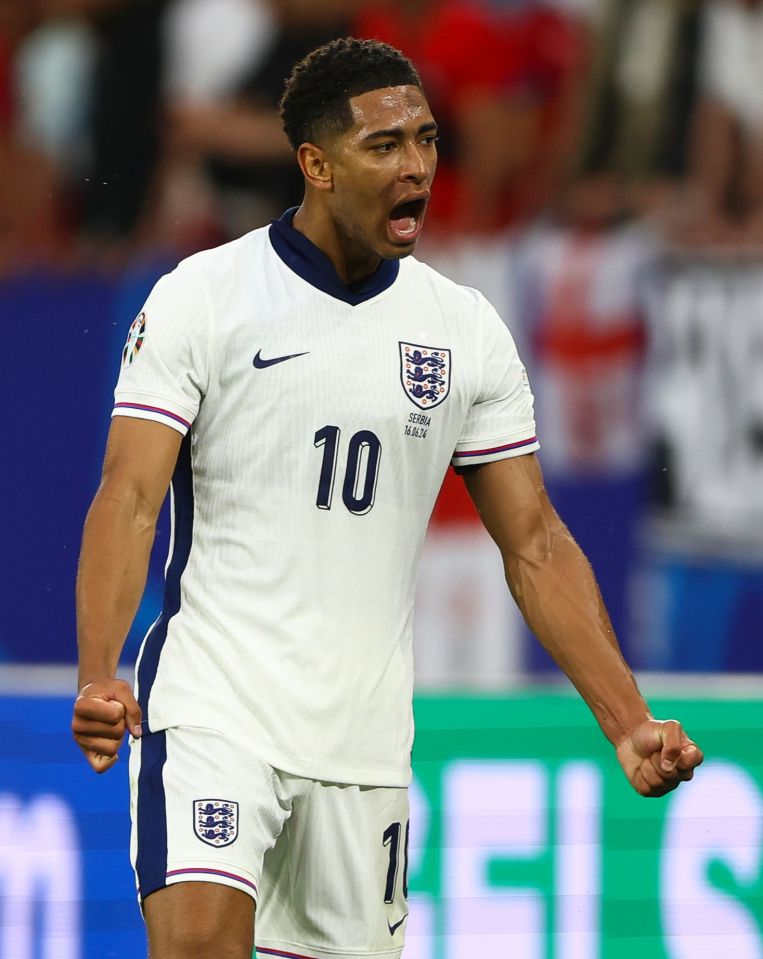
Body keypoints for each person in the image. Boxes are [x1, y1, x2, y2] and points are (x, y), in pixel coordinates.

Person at [71, 37, 704, 959]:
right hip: (216, 707)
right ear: (315, 166)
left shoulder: (463, 331)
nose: (415, 167)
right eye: (383, 147)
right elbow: (128, 497)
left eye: (426, 140)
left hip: (362, 747)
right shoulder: (204, 297)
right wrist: (99, 668)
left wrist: (627, 721)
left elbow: (533, 542)